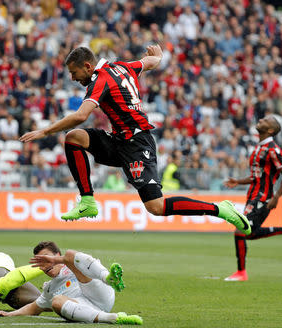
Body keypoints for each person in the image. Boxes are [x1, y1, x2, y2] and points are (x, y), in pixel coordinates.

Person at [19, 45, 251, 235]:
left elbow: (81, 115)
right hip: (119, 140)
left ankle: (220, 209)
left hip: (138, 144)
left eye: (74, 73)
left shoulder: (100, 80)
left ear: (88, 66)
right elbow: (147, 62)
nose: (72, 78)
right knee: (74, 139)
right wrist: (158, 56)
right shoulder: (122, 66)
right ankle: (87, 200)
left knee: (156, 207)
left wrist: (44, 132)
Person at [0, 241, 143, 325]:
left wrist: (58, 260)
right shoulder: (50, 288)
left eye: (46, 258)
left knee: (71, 255)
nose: (44, 264)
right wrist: (9, 314)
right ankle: (112, 318)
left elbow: (72, 258)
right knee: (56, 301)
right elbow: (33, 308)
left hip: (101, 292)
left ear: (56, 256)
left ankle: (108, 278)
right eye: (40, 262)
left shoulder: (72, 263)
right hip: (89, 308)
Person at [223, 116, 282, 282]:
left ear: (270, 130)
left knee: (240, 230)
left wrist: (277, 196)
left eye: (266, 120)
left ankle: (241, 273)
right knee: (249, 233)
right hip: (252, 196)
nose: (262, 119)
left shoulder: (273, 149)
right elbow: (258, 176)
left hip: (263, 198)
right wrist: (238, 181)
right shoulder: (258, 148)